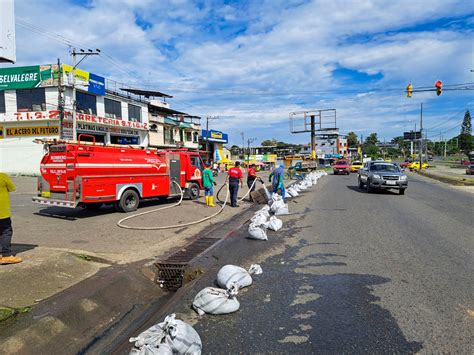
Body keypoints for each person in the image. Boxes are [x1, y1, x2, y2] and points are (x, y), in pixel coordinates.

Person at [0, 173, 22, 265]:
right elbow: (12, 188)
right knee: (6, 231)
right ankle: (5, 255)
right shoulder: (2, 176)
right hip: (2, 212)